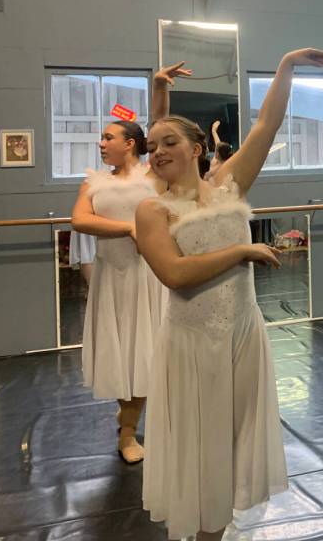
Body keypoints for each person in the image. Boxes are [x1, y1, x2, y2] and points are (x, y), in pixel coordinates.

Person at [135, 48, 323, 541]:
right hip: (192, 343)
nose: (156, 152)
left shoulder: (229, 185)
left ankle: (217, 531)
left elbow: (267, 124)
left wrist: (285, 65)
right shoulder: (151, 210)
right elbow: (175, 275)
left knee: (234, 436)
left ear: (197, 148)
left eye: (167, 143)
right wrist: (241, 251)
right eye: (151, 146)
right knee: (199, 443)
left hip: (242, 334)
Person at [70, 61, 191, 464]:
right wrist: (128, 228)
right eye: (101, 138)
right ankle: (127, 423)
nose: (101, 144)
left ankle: (128, 430)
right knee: (121, 356)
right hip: (111, 277)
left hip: (145, 278)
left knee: (144, 354)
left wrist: (159, 86)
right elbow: (80, 220)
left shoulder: (152, 177)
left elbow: (160, 125)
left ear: (131, 144)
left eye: (108, 137)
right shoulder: (93, 181)